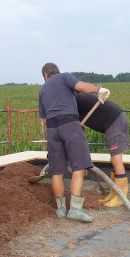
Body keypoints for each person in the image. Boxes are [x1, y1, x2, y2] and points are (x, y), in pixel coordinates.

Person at [38, 62, 109, 223]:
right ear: (57, 72)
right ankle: (76, 210)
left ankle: (61, 210)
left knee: (57, 172)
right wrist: (99, 89)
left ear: (45, 75)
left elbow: (43, 119)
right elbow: (82, 87)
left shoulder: (42, 90)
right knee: (79, 167)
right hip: (70, 125)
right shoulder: (64, 77)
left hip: (52, 130)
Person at [75, 92, 130, 207]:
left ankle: (121, 197)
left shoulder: (74, 99)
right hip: (115, 119)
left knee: (116, 158)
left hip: (114, 120)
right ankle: (114, 193)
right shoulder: (76, 97)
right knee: (114, 159)